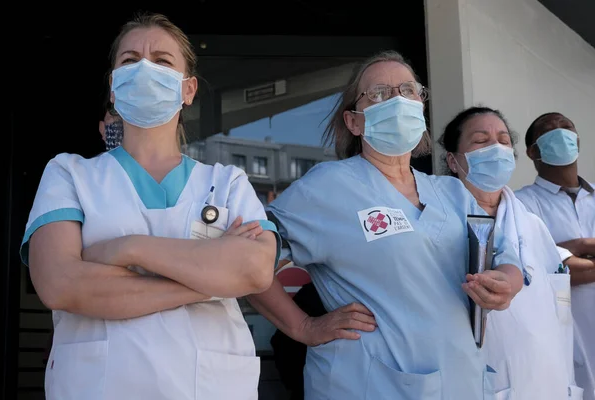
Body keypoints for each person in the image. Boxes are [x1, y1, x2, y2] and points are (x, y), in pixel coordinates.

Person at [20, 12, 278, 400]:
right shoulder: (69, 174)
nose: (144, 68)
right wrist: (211, 279)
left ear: (188, 89)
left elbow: (256, 271)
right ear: (113, 87)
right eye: (129, 60)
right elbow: (60, 284)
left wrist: (128, 248)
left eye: (161, 60)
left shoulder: (227, 183)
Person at [246, 50, 524, 400]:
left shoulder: (452, 191)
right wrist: (302, 326)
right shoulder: (327, 187)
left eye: (408, 90)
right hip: (367, 384)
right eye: (378, 93)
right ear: (354, 122)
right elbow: (245, 263)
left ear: (421, 106)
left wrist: (507, 281)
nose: (397, 99)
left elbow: (503, 252)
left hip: (462, 379)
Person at [439, 106, 583, 399]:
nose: (496, 148)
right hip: (482, 384)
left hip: (550, 382)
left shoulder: (531, 224)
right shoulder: (438, 224)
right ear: (453, 161)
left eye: (504, 140)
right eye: (481, 141)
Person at [515, 112, 595, 400]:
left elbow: (562, 260)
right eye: (549, 130)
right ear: (532, 151)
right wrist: (563, 257)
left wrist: (572, 246)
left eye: (567, 127)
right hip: (564, 336)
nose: (560, 132)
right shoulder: (522, 203)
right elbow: (549, 270)